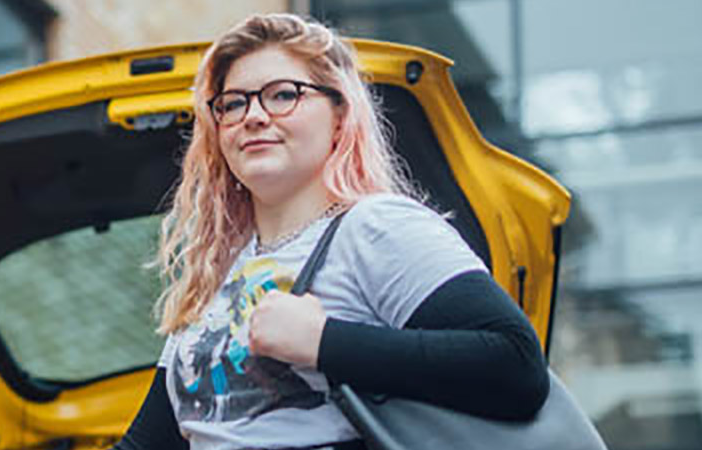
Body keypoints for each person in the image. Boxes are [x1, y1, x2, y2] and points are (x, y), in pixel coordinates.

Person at [112, 13, 550, 450]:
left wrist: (323, 342)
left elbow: (515, 365)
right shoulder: (215, 272)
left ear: (340, 115)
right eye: (233, 103)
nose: (254, 116)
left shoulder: (376, 228)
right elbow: (145, 445)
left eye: (283, 94)